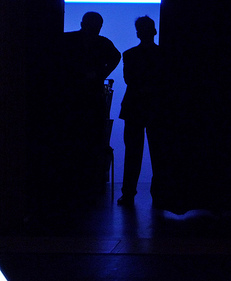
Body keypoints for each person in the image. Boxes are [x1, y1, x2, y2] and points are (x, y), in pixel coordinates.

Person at [61, 11, 121, 201]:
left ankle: (72, 181)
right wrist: (99, 74)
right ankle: (90, 181)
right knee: (92, 136)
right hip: (91, 97)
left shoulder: (68, 40)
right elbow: (116, 57)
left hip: (71, 98)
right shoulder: (103, 43)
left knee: (72, 137)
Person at [117, 16, 168, 208]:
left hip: (134, 107)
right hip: (156, 107)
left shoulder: (129, 54)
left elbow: (131, 80)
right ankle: (159, 194)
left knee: (133, 153)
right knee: (158, 153)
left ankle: (129, 193)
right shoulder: (164, 54)